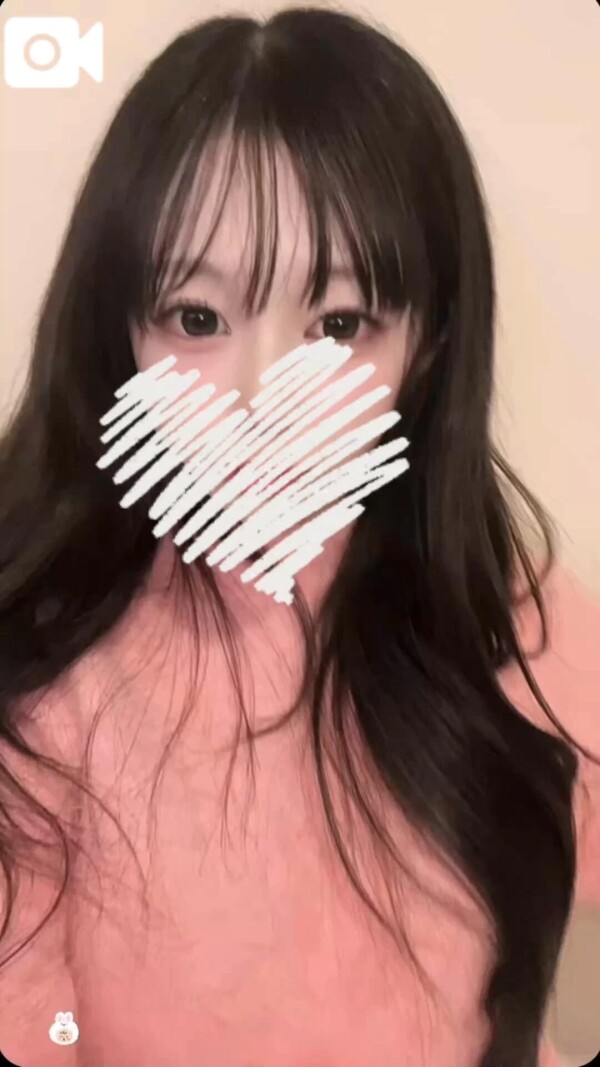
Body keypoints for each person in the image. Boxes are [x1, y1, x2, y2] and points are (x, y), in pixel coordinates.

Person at [0, 8, 598, 1067]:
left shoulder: (533, 630)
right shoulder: (43, 664)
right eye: (196, 318)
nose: (262, 399)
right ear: (119, 331)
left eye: (338, 325)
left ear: (429, 344)